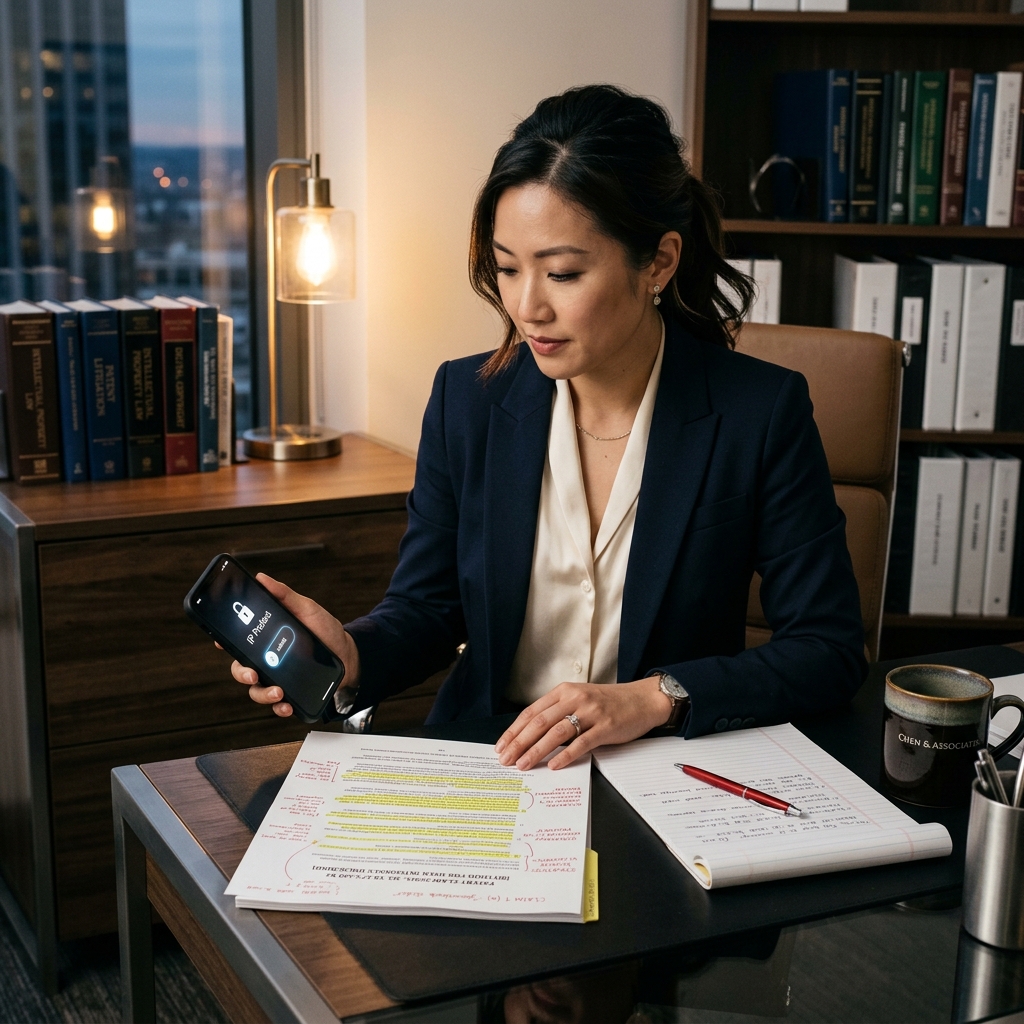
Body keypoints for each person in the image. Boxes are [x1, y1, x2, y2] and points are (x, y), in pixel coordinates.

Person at [229, 84, 867, 771]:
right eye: (506, 269)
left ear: (658, 261)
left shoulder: (758, 412)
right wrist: (350, 655)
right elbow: (428, 610)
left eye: (562, 273)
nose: (527, 306)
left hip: (664, 773)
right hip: (494, 763)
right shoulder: (466, 400)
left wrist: (656, 697)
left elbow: (827, 650)